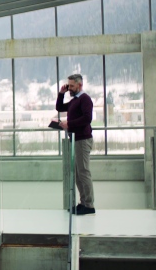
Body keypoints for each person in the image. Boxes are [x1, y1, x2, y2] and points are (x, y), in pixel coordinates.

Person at [56, 74, 95, 215]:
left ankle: (89, 205)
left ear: (80, 85)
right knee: (78, 174)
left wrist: (69, 123)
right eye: (69, 85)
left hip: (83, 140)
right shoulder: (74, 100)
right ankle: (83, 202)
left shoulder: (85, 99)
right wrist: (61, 93)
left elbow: (87, 118)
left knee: (84, 172)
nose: (70, 88)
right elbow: (59, 107)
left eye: (72, 86)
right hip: (76, 139)